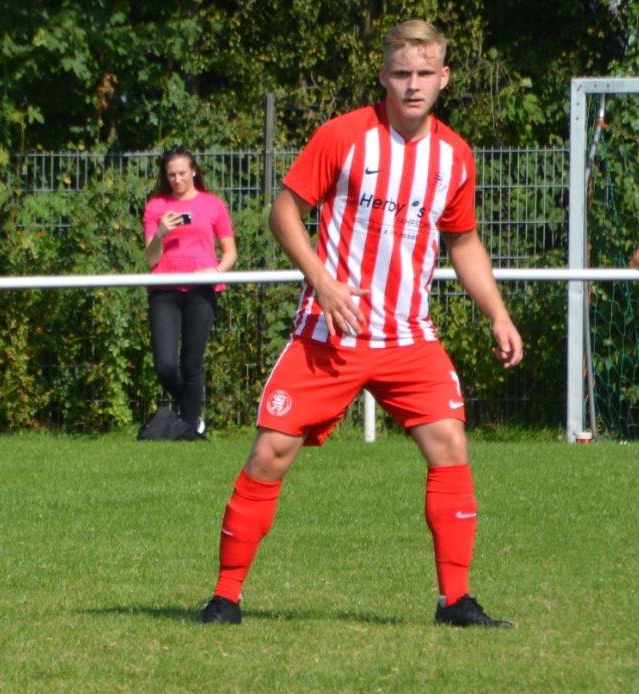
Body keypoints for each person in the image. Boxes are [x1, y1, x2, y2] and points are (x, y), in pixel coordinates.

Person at [200, 19, 523, 628]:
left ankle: (455, 601)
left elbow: (463, 241)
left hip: (408, 338)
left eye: (424, 73)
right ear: (383, 76)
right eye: (401, 73)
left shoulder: (454, 156)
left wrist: (498, 314)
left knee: (450, 443)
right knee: (270, 452)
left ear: (445, 77)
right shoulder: (344, 136)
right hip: (331, 335)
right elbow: (284, 212)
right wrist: (322, 282)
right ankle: (225, 597)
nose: (413, 85)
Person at [142, 147, 237, 438]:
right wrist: (161, 233)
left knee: (191, 363)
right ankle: (191, 418)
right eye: (171, 175)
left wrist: (216, 271)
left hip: (201, 291)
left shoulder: (213, 205)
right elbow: (150, 259)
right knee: (165, 365)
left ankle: (188, 427)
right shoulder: (155, 206)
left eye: (182, 173)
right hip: (165, 291)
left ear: (194, 171)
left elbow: (230, 253)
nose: (177, 179)